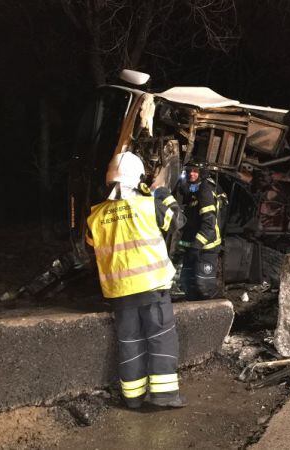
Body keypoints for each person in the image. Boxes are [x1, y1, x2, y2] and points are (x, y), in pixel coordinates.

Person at [86, 151, 188, 409]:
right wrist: (163, 193)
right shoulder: (149, 204)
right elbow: (177, 221)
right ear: (139, 178)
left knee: (129, 342)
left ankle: (132, 397)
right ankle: (164, 395)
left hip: (119, 292)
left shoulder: (95, 216)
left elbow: (91, 246)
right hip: (152, 287)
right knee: (160, 337)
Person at [178, 163, 223, 300]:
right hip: (193, 248)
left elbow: (209, 224)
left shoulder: (204, 190)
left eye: (196, 171)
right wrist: (183, 248)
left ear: (202, 173)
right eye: (189, 171)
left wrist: (197, 245)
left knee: (204, 287)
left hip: (206, 249)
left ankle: (217, 315)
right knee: (188, 285)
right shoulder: (192, 191)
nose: (192, 173)